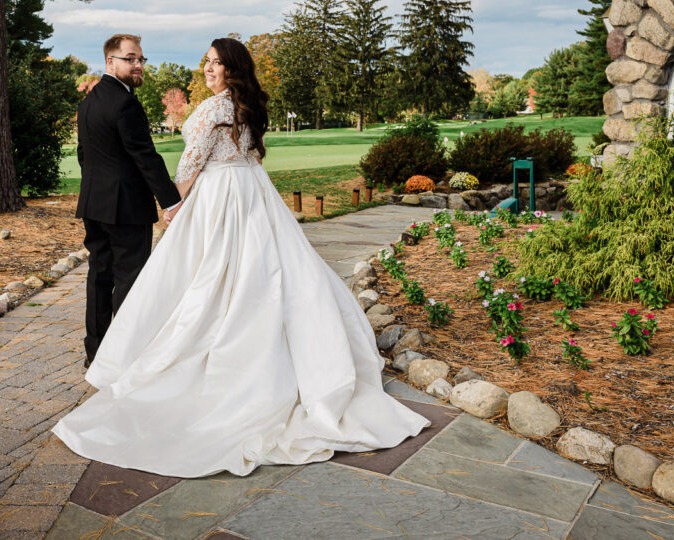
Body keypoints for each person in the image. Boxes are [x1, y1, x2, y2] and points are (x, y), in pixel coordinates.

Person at [54, 37, 429, 477]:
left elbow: (188, 165)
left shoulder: (199, 109)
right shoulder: (247, 105)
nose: (208, 69)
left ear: (231, 69)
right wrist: (172, 203)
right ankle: (118, 352)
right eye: (207, 62)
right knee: (253, 275)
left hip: (207, 200)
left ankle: (111, 351)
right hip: (251, 195)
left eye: (215, 64)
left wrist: (176, 205)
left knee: (186, 281)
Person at [75, 34, 182, 369]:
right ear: (111, 62)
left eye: (141, 59)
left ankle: (96, 353)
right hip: (125, 208)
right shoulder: (126, 103)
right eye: (130, 58)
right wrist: (171, 201)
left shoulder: (89, 101)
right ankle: (120, 357)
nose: (138, 65)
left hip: (94, 204)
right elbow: (145, 157)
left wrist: (99, 189)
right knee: (130, 280)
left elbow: (84, 155)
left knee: (99, 276)